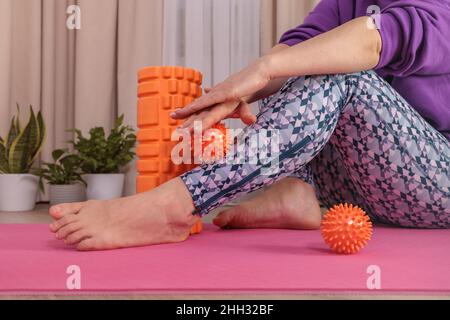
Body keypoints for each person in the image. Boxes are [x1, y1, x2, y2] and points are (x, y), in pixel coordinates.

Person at [49, 0, 449, 250]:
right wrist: (237, 91)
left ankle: (175, 206)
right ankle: (297, 193)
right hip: (363, 185)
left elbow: (377, 41)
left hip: (437, 181)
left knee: (338, 70)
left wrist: (261, 71)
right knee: (306, 58)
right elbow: (294, 47)